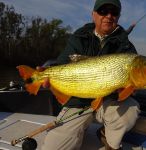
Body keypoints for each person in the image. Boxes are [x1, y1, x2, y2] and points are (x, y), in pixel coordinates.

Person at [40, 0, 140, 149]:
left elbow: (129, 88)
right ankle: (80, 127)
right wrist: (45, 74)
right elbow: (61, 64)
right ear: (93, 14)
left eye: (114, 12)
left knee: (130, 110)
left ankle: (108, 139)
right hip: (77, 102)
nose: (108, 16)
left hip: (108, 101)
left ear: (118, 17)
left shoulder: (126, 46)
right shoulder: (79, 37)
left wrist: (130, 89)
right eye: (103, 11)